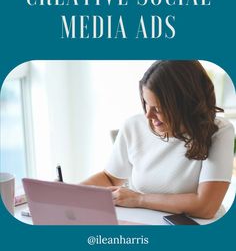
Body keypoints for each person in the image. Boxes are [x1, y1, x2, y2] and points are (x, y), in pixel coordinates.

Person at [82, 60, 235, 219]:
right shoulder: (134, 125)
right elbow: (110, 178)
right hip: (142, 224)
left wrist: (139, 199)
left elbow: (205, 207)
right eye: (146, 104)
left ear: (185, 105)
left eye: (158, 108)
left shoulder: (219, 131)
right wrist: (69, 192)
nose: (148, 115)